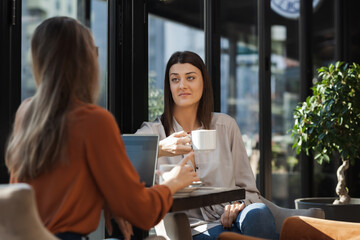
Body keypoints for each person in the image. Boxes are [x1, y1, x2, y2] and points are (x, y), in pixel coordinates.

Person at [5, 17, 199, 240]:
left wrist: (107, 202)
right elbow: (144, 213)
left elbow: (55, 187)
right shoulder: (94, 120)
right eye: (95, 52)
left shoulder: (26, 113)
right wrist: (173, 181)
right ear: (85, 62)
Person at [136, 51, 278, 239]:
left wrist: (239, 206)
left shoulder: (226, 126)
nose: (182, 85)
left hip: (234, 219)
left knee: (259, 213)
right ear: (169, 86)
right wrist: (160, 149)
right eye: (175, 79)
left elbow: (249, 190)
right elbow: (119, 158)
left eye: (190, 77)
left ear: (203, 82)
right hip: (191, 229)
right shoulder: (154, 132)